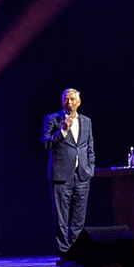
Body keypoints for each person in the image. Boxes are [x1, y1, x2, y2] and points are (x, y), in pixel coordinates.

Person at [42, 88, 95, 257]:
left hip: (82, 175)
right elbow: (46, 143)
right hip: (61, 175)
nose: (69, 102)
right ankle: (65, 253)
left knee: (79, 217)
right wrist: (63, 130)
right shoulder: (53, 119)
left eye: (72, 99)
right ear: (62, 102)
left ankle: (77, 252)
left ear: (79, 102)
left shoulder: (86, 121)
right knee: (61, 218)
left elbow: (89, 147)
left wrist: (90, 168)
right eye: (66, 99)